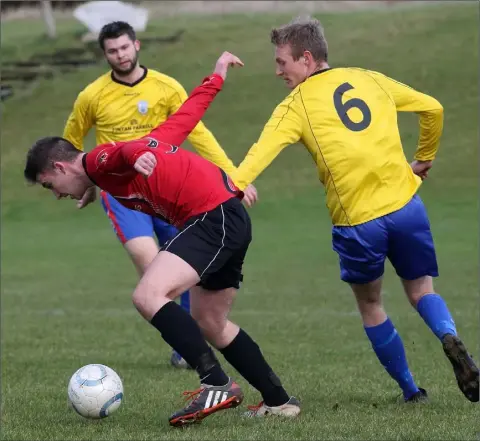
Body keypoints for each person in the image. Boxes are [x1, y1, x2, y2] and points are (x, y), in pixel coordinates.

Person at [24, 51, 299, 427]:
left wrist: (135, 155)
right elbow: (183, 120)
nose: (55, 194)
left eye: (50, 186)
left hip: (211, 218)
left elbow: (120, 152)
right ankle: (279, 401)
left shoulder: (99, 160)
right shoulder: (99, 172)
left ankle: (215, 383)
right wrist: (215, 77)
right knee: (211, 321)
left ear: (59, 167)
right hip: (224, 218)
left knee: (147, 295)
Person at [230, 16, 479, 405]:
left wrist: (235, 185)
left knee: (370, 303)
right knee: (421, 290)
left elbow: (254, 159)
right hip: (406, 207)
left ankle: (411, 390)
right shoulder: (369, 78)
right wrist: (424, 158)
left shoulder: (295, 105)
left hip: (359, 222)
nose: (278, 71)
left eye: (283, 62)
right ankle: (448, 334)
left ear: (307, 58)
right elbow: (433, 108)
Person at [62, 21, 257, 369]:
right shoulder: (92, 96)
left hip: (168, 190)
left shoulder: (165, 86)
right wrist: (88, 183)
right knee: (152, 265)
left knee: (182, 266)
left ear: (136, 45)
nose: (120, 54)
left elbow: (194, 128)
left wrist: (234, 176)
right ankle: (193, 349)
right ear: (104, 54)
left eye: (124, 47)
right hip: (122, 195)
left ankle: (190, 343)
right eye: (112, 50)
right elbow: (69, 147)